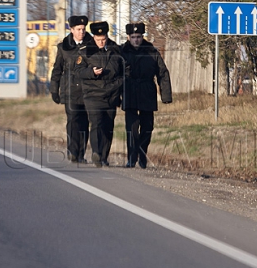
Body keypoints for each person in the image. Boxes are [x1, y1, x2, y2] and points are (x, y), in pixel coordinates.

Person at [74, 21, 126, 167]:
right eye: (98, 40)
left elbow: (124, 70)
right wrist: (91, 72)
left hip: (112, 95)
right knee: (96, 123)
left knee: (108, 126)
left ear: (107, 36)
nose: (101, 42)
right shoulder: (85, 51)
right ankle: (96, 153)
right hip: (93, 94)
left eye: (103, 39)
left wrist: (119, 85)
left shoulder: (116, 49)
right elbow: (77, 72)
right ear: (93, 37)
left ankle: (104, 156)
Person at [121, 22, 172, 168]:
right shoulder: (122, 51)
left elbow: (162, 72)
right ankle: (132, 156)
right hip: (130, 91)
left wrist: (166, 95)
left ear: (143, 36)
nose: (136, 40)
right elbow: (115, 73)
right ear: (128, 37)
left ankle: (142, 155)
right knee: (132, 128)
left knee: (147, 127)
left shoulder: (151, 51)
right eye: (133, 37)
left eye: (139, 37)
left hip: (147, 91)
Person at [50, 15, 94, 163]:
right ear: (72, 29)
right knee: (73, 120)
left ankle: (81, 154)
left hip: (87, 90)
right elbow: (57, 70)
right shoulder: (64, 47)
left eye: (83, 29)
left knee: (84, 122)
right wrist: (54, 90)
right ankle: (72, 151)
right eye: (78, 29)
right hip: (70, 90)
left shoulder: (91, 45)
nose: (81, 32)